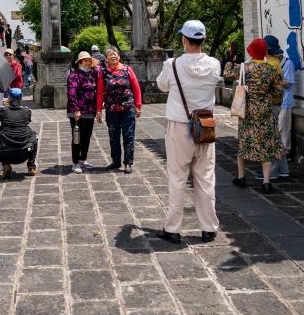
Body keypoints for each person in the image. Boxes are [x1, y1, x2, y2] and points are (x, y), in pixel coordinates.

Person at [155, 20, 222, 244]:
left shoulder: (172, 65)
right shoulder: (215, 64)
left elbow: (162, 86)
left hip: (179, 125)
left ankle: (173, 228)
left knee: (177, 178)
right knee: (205, 178)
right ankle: (208, 227)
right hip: (205, 126)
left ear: (184, 39)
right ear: (203, 39)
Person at [225, 38, 285, 194]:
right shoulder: (271, 69)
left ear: (251, 51)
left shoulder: (245, 68)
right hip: (265, 112)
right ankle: (266, 182)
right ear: (265, 52)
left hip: (247, 112)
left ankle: (241, 177)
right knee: (266, 146)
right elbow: (279, 93)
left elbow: (226, 74)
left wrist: (230, 60)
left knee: (244, 143)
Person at [96, 46, 142, 173]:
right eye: (110, 54)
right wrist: (99, 110)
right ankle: (115, 161)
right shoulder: (103, 72)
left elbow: (136, 88)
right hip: (111, 109)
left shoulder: (127, 69)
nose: (113, 56)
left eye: (115, 54)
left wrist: (138, 105)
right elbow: (100, 92)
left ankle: (128, 162)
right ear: (106, 59)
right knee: (113, 136)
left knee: (128, 135)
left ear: (119, 56)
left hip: (127, 108)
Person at [263, 35, 295, 180]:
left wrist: (273, 79)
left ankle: (284, 155)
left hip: (285, 102)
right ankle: (281, 165)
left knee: (283, 129)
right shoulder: (269, 63)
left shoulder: (288, 63)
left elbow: (287, 83)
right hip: (273, 102)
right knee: (276, 132)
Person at [0, 88, 39, 178]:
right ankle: (31, 166)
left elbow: (1, 119)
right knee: (34, 135)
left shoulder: (2, 110)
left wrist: (6, 105)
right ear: (21, 98)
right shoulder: (26, 111)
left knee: (0, 134)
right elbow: (27, 120)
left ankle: (5, 164)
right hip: (23, 153)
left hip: (5, 153)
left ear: (9, 98)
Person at [66, 51, 98, 174]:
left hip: (90, 111)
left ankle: (83, 159)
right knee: (77, 137)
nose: (88, 63)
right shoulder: (74, 75)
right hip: (78, 112)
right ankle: (75, 162)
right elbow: (72, 94)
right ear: (80, 62)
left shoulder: (91, 75)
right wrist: (76, 109)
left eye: (89, 61)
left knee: (87, 136)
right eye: (85, 61)